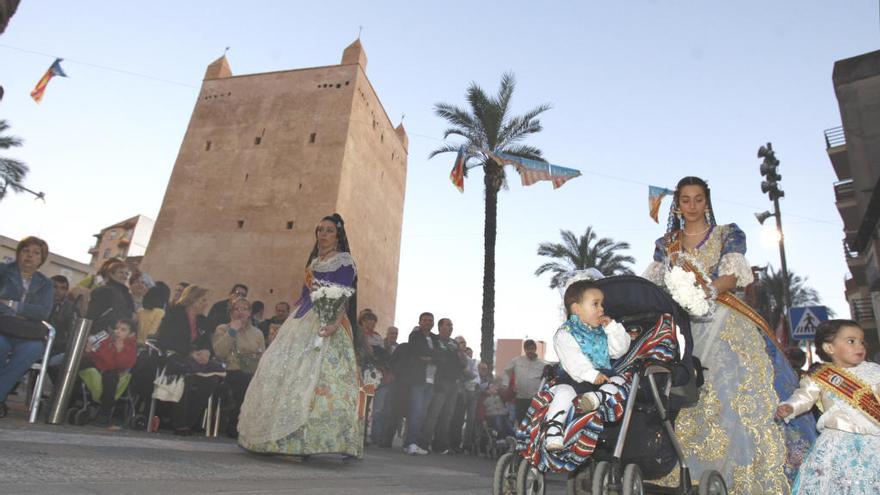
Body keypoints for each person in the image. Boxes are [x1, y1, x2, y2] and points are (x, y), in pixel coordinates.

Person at [643, 176, 815, 493]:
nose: (692, 205)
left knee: (732, 393)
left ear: (707, 202)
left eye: (698, 199)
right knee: (687, 394)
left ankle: (746, 473)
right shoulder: (666, 243)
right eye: (685, 200)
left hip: (723, 319)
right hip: (682, 324)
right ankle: (688, 470)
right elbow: (655, 284)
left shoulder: (727, 233)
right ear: (677, 205)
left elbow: (733, 276)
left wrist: (700, 291)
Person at [238, 213, 363, 458]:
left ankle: (310, 440)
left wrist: (334, 323)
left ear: (337, 234)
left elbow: (344, 295)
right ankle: (275, 438)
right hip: (301, 320)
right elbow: (304, 296)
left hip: (328, 322)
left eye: (328, 230)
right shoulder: (314, 262)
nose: (323, 234)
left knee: (317, 380)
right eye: (320, 230)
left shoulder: (344, 261)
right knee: (278, 369)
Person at [776, 320, 880, 494]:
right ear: (830, 348)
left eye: (862, 341)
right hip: (839, 443)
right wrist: (790, 407)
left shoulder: (874, 371)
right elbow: (804, 396)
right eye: (851, 341)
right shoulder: (820, 376)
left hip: (874, 441)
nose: (859, 346)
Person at [542, 278, 631, 451]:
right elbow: (573, 360)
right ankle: (553, 429)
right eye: (596, 304)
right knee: (563, 393)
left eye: (602, 304)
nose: (602, 309)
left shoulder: (601, 331)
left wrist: (612, 329)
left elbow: (619, 351)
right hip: (574, 379)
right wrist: (591, 375)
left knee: (620, 382)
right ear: (576, 309)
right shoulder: (565, 333)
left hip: (602, 379)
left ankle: (595, 399)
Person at [0, 237, 54, 418]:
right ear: (18, 253)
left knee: (33, 350)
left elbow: (43, 312)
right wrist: (24, 312)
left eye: (36, 253)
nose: (30, 256)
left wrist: (13, 306)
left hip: (27, 334)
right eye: (26, 251)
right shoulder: (2, 271)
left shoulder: (46, 283)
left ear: (41, 259)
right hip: (2, 328)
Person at [155, 285, 220, 435]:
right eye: (203, 300)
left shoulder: (202, 321)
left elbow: (207, 344)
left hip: (196, 358)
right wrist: (190, 352)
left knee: (213, 377)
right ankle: (179, 423)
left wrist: (206, 352)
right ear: (192, 300)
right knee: (185, 372)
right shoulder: (174, 314)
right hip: (175, 356)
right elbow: (165, 340)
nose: (206, 304)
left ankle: (190, 421)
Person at [212, 298, 265, 438]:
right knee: (242, 380)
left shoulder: (257, 333)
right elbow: (220, 353)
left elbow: (262, 356)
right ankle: (234, 426)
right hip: (231, 370)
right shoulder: (222, 328)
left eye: (245, 309)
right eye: (237, 309)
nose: (241, 312)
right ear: (231, 312)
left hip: (252, 371)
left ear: (249, 313)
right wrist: (232, 331)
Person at [80, 319, 137, 426]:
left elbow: (123, 364)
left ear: (131, 334)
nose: (117, 331)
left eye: (123, 330)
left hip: (113, 372)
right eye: (116, 328)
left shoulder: (130, 347)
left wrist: (119, 351)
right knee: (79, 362)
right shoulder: (108, 340)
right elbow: (99, 354)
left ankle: (105, 413)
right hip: (100, 366)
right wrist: (89, 351)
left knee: (111, 377)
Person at [421, 318, 466, 454]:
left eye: (452, 325)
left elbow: (462, 362)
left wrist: (461, 356)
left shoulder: (453, 343)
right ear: (440, 327)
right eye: (447, 325)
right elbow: (437, 358)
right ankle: (424, 443)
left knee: (447, 415)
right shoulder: (435, 340)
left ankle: (440, 445)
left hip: (454, 383)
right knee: (434, 413)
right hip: (440, 381)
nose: (450, 328)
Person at [400, 312, 438, 455]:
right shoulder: (415, 336)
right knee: (415, 412)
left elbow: (439, 355)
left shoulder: (435, 338)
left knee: (423, 414)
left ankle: (414, 442)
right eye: (425, 320)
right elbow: (416, 350)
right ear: (420, 322)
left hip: (432, 381)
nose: (428, 322)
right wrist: (430, 355)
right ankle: (410, 443)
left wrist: (429, 356)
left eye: (430, 320)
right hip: (418, 380)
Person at [85, 259, 135, 335]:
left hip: (119, 334)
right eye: (121, 272)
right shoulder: (103, 291)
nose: (124, 276)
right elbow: (92, 315)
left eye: (126, 274)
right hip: (102, 333)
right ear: (111, 274)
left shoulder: (126, 293)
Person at [504, 339, 547, 422]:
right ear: (524, 350)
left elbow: (546, 379)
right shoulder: (516, 361)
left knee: (533, 420)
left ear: (535, 349)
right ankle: (520, 434)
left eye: (531, 348)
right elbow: (507, 371)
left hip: (535, 398)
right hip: (521, 397)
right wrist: (505, 385)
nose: (530, 351)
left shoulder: (542, 364)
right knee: (520, 420)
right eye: (527, 349)